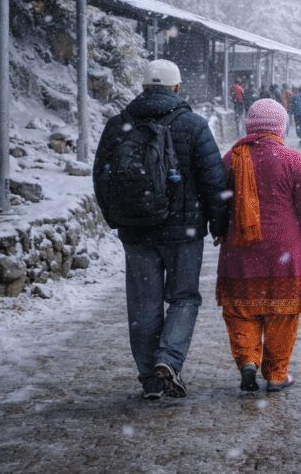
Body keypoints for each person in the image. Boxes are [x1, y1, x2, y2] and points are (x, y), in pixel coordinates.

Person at [93, 59, 229, 400]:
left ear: (143, 88)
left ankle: (149, 380)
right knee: (183, 298)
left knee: (142, 305)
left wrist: (117, 218)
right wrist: (219, 223)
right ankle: (168, 359)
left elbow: (102, 177)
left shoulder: (117, 125)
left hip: (137, 231)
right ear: (177, 88)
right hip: (183, 231)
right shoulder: (193, 125)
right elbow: (214, 181)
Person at [216, 99, 301, 393]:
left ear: (250, 125)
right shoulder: (291, 159)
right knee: (283, 313)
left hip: (240, 250)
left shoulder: (232, 158)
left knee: (241, 310)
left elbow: (217, 202)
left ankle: (248, 360)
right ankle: (277, 374)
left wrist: (217, 230)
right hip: (284, 252)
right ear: (281, 126)